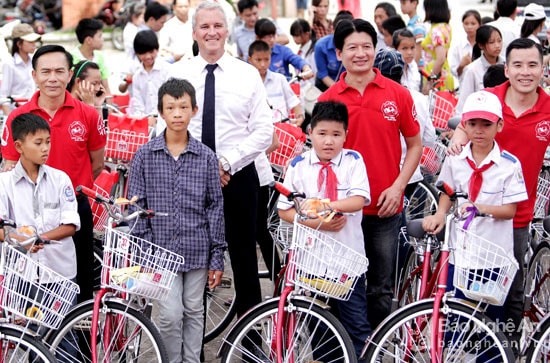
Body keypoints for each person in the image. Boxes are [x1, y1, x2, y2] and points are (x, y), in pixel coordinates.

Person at [170, 0, 273, 319]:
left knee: (245, 262)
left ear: (227, 30)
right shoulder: (178, 74)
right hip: (191, 178)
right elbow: (165, 127)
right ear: (194, 31)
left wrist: (225, 163)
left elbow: (264, 130)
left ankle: (251, 339)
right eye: (205, 26)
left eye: (217, 25)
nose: (211, 32)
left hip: (239, 176)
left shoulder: (246, 74)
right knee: (194, 266)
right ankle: (193, 348)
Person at [448, 38, 550, 356]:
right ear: (506, 68)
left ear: (543, 68)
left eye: (532, 64)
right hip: (473, 220)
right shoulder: (489, 99)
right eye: (517, 65)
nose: (525, 72)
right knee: (468, 288)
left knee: (510, 293)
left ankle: (507, 352)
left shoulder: (548, 107)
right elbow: (464, 128)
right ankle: (478, 351)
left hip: (515, 216)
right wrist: (456, 139)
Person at [318, 18, 422, 329]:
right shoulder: (329, 100)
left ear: (376, 50)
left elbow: (415, 145)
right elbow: (319, 154)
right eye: (352, 47)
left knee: (380, 288)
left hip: (385, 207)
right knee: (341, 286)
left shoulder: (397, 94)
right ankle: (345, 350)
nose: (360, 53)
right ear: (339, 54)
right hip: (342, 212)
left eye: (367, 46)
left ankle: (376, 348)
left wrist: (398, 186)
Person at [127, 77, 226, 363]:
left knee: (194, 310)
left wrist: (217, 256)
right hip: (159, 251)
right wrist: (143, 249)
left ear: (194, 110)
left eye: (183, 107)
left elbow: (214, 206)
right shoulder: (145, 155)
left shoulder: (206, 157)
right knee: (170, 315)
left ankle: (192, 360)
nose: (178, 113)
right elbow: (136, 207)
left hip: (197, 248)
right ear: (161, 111)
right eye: (171, 107)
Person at [1, 44, 106, 303]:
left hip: (74, 208)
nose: (52, 78)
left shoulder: (89, 115)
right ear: (34, 75)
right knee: (26, 284)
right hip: (26, 210)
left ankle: (78, 343)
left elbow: (97, 164)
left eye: (59, 71)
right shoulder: (17, 118)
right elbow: (10, 167)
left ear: (70, 75)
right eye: (45, 71)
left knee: (80, 284)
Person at [423, 90, 528, 344]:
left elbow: (510, 210)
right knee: (454, 324)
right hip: (460, 256)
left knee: (490, 327)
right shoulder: (456, 159)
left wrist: (479, 207)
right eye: (472, 124)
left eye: (486, 124)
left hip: (493, 258)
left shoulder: (509, 165)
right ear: (464, 125)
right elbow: (448, 191)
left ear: (499, 125)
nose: (478, 130)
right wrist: (439, 213)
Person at [277, 101, 371, 360]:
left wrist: (326, 204)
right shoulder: (297, 165)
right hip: (312, 263)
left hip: (347, 264)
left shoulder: (353, 161)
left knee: (356, 326)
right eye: (322, 134)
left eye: (336, 134)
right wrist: (318, 222)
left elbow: (359, 200)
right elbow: (284, 210)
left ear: (346, 135)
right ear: (310, 132)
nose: (328, 141)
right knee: (319, 329)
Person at [0, 113, 79, 282]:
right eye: (38, 143)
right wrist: (21, 240)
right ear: (19, 146)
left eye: (48, 142)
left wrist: (37, 239)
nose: (45, 148)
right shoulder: (5, 183)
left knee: (66, 310)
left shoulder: (60, 179)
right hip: (21, 275)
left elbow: (70, 225)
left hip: (60, 274)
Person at [249, 40, 304, 125]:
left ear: (270, 58)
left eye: (266, 59)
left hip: (282, 128)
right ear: (250, 60)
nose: (263, 64)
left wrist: (300, 117)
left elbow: (293, 101)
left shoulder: (279, 79)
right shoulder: (247, 83)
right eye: (258, 60)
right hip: (258, 129)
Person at [456, 25, 504, 115]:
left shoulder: (507, 65)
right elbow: (463, 102)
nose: (497, 46)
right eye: (491, 42)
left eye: (499, 41)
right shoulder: (472, 70)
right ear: (481, 45)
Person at [129, 30, 171, 128]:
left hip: (166, 122)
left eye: (151, 52)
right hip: (146, 125)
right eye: (143, 53)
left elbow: (171, 100)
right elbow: (138, 105)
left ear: (157, 49)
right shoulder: (137, 76)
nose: (148, 57)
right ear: (137, 54)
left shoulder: (166, 70)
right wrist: (144, 121)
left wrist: (157, 118)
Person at [0, 23, 40, 115]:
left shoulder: (34, 62)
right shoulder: (9, 64)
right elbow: (3, 97)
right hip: (16, 112)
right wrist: (10, 119)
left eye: (34, 42)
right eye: (30, 42)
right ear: (19, 44)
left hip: (32, 111)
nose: (34, 45)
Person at [71, 18, 112, 101]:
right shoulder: (71, 58)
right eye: (100, 36)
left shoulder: (100, 57)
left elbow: (106, 86)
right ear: (89, 40)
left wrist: (109, 108)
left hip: (98, 102)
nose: (102, 40)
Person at [314, 10, 353, 91]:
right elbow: (323, 74)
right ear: (333, 29)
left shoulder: (357, 46)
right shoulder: (321, 46)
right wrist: (339, 91)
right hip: (326, 87)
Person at [421, 0, 454, 92]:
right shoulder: (445, 26)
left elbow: (440, 58)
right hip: (442, 73)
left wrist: (430, 81)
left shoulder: (436, 30)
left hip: (437, 77)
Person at [449, 10, 482, 87]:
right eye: (466, 23)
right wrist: (461, 65)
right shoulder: (459, 47)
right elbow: (455, 73)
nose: (469, 27)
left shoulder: (484, 45)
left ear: (479, 24)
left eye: (473, 24)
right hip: (465, 87)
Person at [399, 0, 425, 66]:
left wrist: (414, 69)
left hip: (419, 66)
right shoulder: (411, 23)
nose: (401, 6)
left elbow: (419, 47)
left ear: (414, 3)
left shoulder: (417, 23)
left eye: (403, 3)